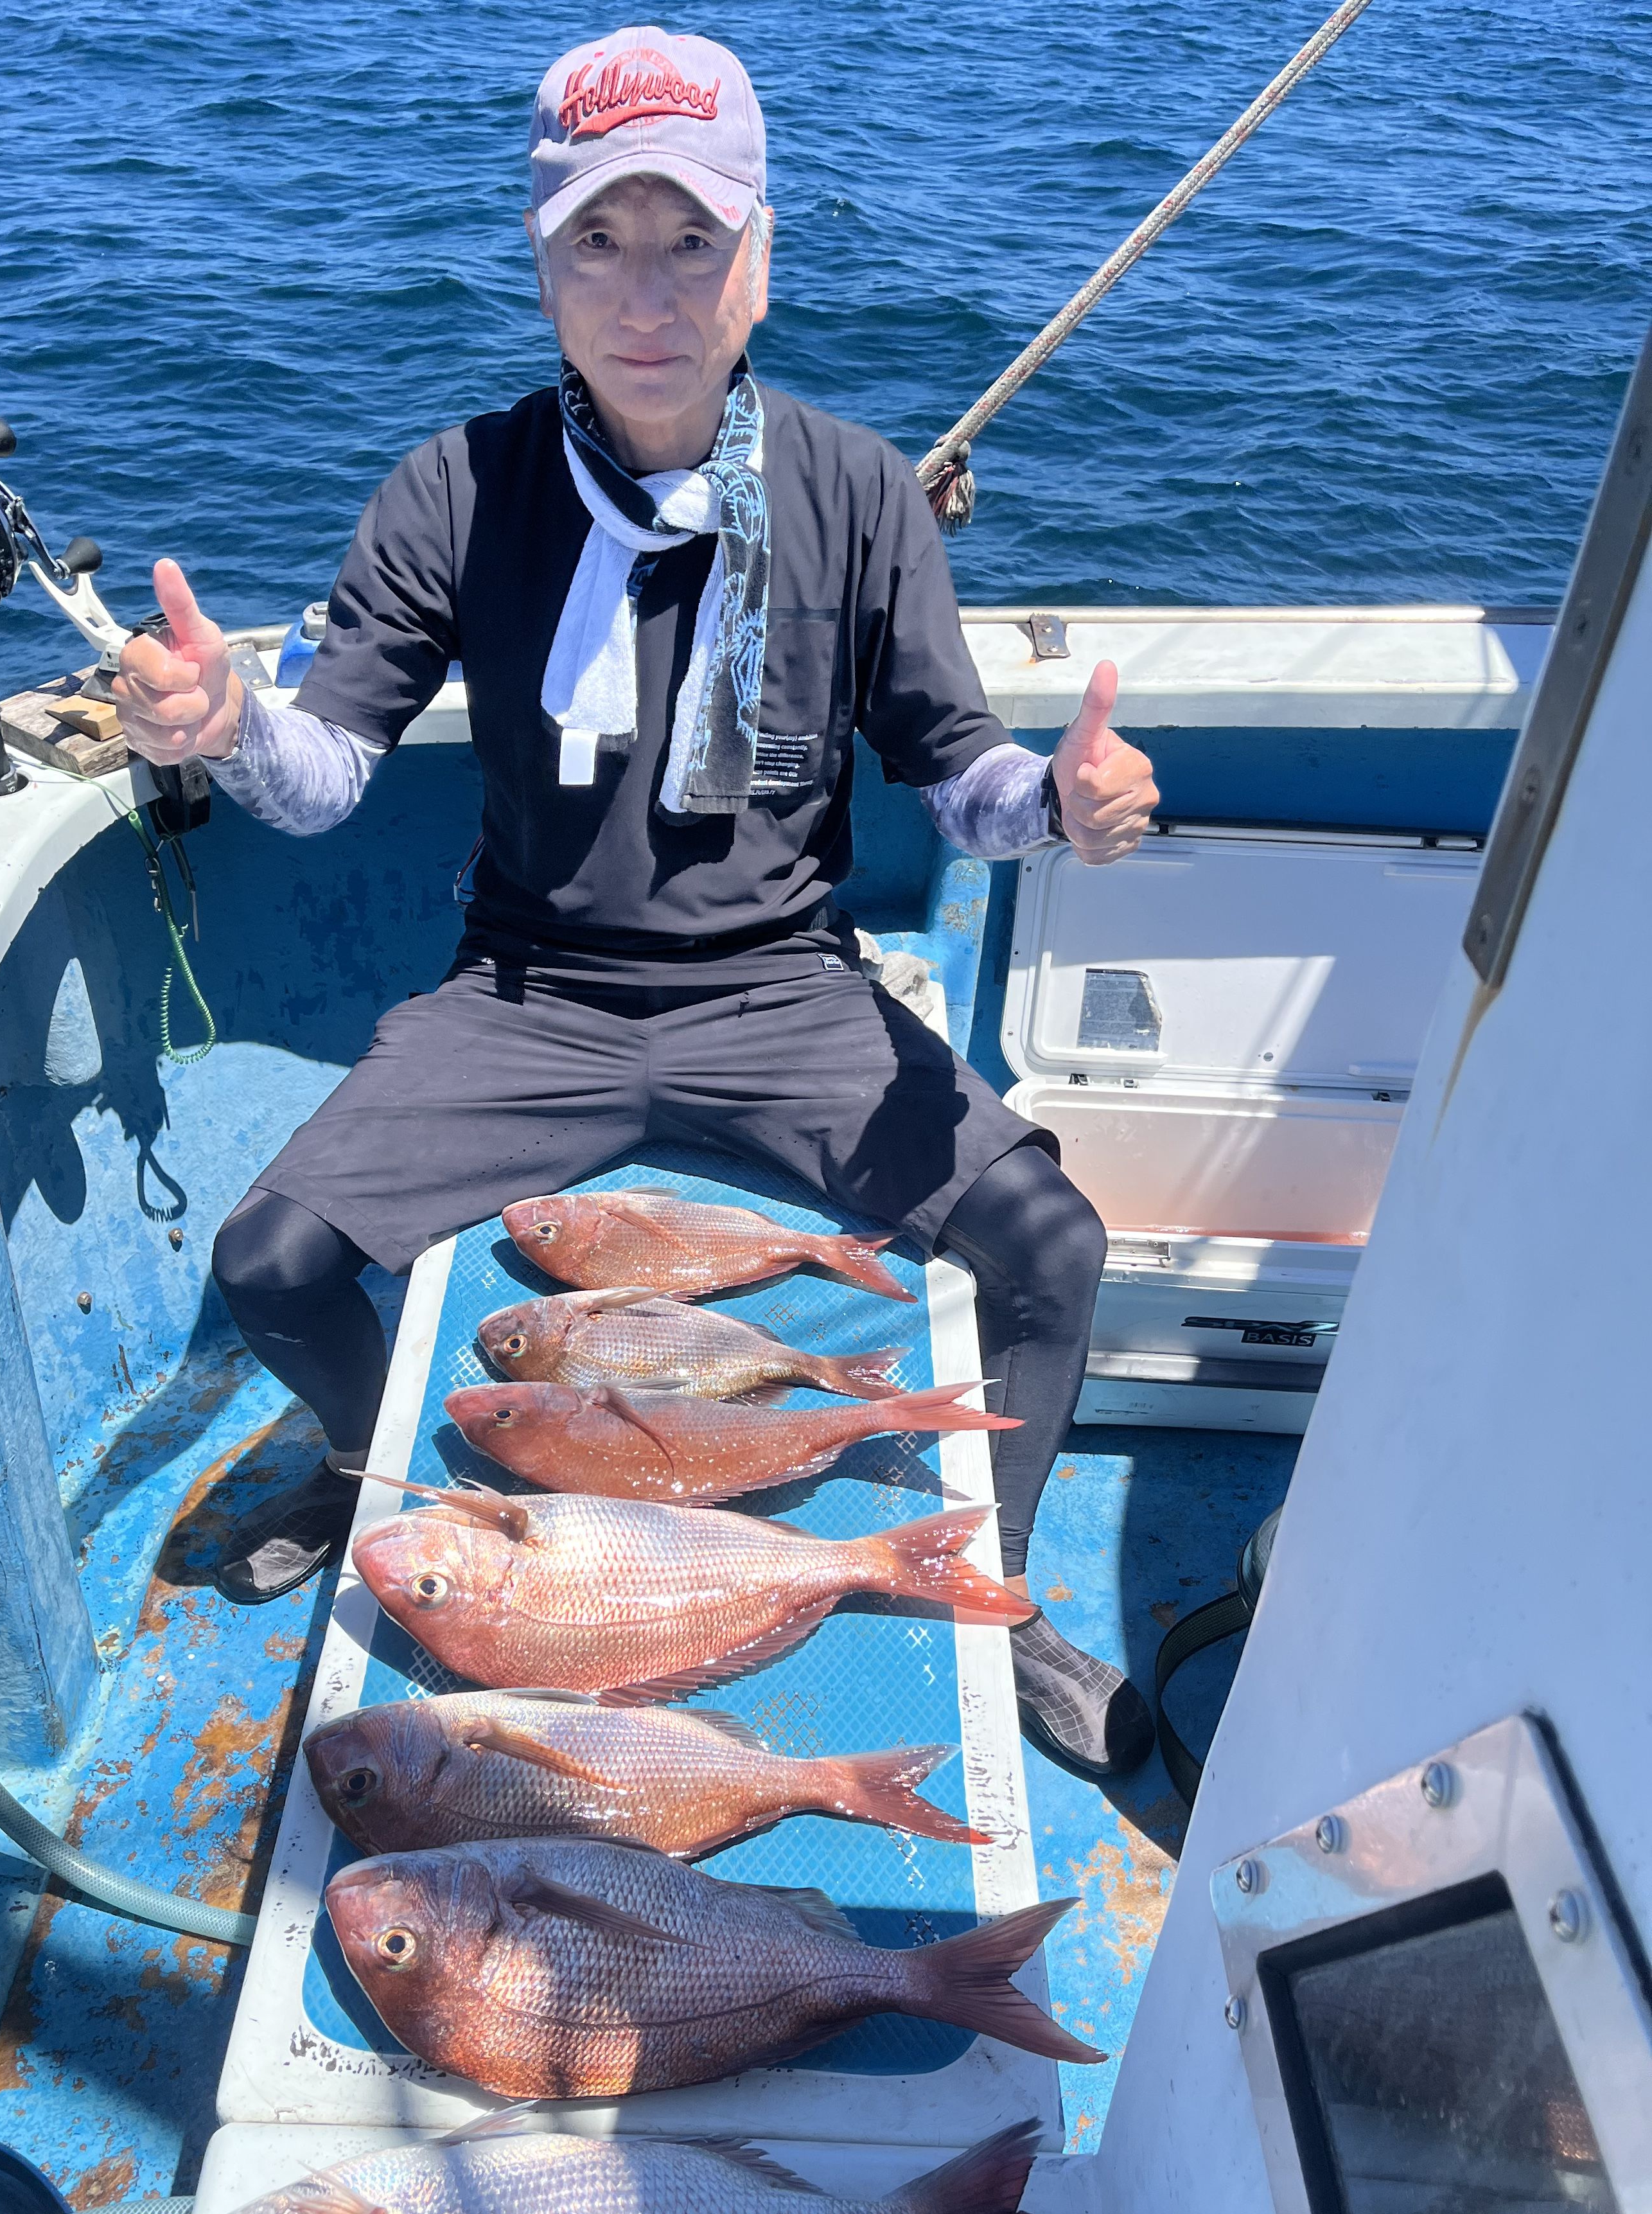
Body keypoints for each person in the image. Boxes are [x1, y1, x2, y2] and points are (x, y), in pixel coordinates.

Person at [110, 26, 1162, 1782]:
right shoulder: (458, 488)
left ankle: (995, 1580)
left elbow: (957, 772)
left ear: (760, 260)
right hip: (531, 995)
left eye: (692, 239)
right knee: (267, 1264)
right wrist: (230, 730)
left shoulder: (856, 489)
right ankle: (374, 1471)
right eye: (599, 241)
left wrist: (1054, 806)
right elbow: (330, 771)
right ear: (543, 263)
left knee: (1056, 1249)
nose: (647, 293)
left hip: (785, 994)